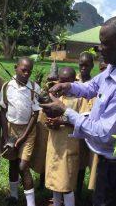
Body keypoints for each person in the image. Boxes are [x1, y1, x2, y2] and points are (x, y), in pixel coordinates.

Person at [40, 14, 116, 206]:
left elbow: (105, 134)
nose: (99, 49)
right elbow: (92, 87)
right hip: (109, 161)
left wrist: (65, 111)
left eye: (105, 43)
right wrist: (69, 87)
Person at [0, 56, 40, 206]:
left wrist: (23, 136)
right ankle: (14, 196)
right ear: (16, 67)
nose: (26, 73)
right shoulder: (7, 87)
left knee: (23, 166)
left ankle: (31, 202)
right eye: (23, 70)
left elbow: (35, 114)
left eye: (29, 71)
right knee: (13, 163)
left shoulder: (34, 88)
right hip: (11, 128)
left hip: (28, 130)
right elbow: (3, 110)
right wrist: (5, 134)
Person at [45, 67, 82, 206]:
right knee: (54, 180)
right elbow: (45, 116)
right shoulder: (54, 96)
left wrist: (62, 122)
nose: (61, 85)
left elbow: (84, 122)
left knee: (66, 183)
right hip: (54, 143)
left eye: (66, 82)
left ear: (73, 82)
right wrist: (50, 123)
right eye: (60, 81)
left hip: (69, 145)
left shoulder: (79, 98)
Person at [76, 52, 95, 196]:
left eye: (86, 65)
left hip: (89, 129)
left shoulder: (96, 83)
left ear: (92, 66)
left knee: (83, 161)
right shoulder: (72, 81)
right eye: (81, 65)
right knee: (73, 161)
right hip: (73, 127)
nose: (83, 68)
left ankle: (79, 191)